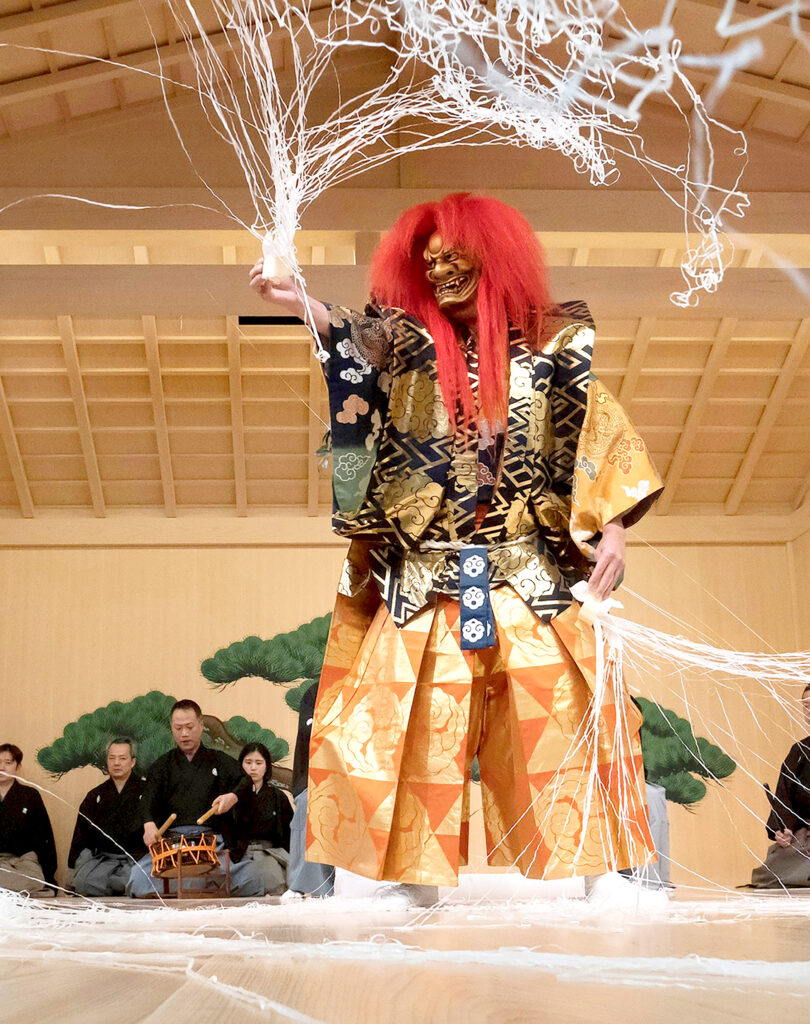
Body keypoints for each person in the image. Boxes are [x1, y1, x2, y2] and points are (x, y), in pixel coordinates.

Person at [249, 192, 663, 906]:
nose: (440, 270)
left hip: (524, 571)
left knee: (568, 710)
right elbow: (352, 339)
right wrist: (296, 301)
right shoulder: (408, 341)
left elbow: (595, 429)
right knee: (403, 723)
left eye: (454, 256)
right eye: (430, 260)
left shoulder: (553, 343)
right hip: (425, 574)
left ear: (492, 256)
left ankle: (600, 874)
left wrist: (616, 527)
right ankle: (410, 878)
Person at [126, 699, 262, 898]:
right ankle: (202, 886)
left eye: (189, 727)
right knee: (138, 879)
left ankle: (186, 886)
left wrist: (232, 797)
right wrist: (148, 825)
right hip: (172, 845)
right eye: (178, 728)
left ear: (201, 725)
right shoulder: (162, 766)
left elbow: (245, 782)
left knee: (251, 877)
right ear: (171, 728)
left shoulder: (218, 760)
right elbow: (147, 799)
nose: (184, 733)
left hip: (211, 843)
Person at [67, 738, 146, 897]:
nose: (116, 763)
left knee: (142, 881)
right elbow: (81, 835)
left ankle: (121, 885)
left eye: (122, 758)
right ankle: (118, 886)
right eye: (112, 758)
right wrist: (75, 865)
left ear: (132, 762)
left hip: (137, 859)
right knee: (83, 883)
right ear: (107, 761)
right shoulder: (95, 795)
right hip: (104, 860)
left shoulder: (147, 791)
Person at [750, 683, 810, 889]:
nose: (808, 712)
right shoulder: (799, 751)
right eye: (805, 707)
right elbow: (784, 796)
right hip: (806, 835)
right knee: (770, 872)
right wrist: (784, 829)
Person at [285, 683, 335, 897]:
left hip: (360, 772)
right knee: (309, 802)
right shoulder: (316, 691)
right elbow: (309, 730)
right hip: (315, 774)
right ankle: (303, 886)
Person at [233, 743, 293, 895]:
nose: (253, 768)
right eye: (248, 762)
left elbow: (289, 835)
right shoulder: (230, 797)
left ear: (267, 766)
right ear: (240, 765)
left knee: (274, 885)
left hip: (269, 853)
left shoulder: (278, 797)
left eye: (259, 763)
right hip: (238, 855)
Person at [0, 743, 57, 896]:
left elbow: (45, 836)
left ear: (17, 766)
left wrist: (49, 874)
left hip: (24, 861)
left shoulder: (30, 795)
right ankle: (26, 892)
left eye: (8, 762)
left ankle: (12, 891)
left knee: (34, 880)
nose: (2, 767)